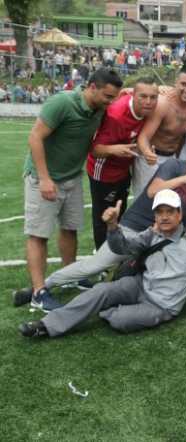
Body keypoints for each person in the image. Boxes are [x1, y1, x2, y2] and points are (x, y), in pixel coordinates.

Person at [13, 141, 186, 308]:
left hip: (161, 239)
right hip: (134, 229)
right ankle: (39, 288)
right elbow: (154, 191)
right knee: (95, 265)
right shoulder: (175, 167)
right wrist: (184, 179)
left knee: (141, 276)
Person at [19, 189, 186, 338]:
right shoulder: (151, 234)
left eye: (170, 211)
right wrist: (112, 227)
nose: (164, 216)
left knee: (120, 320)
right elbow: (122, 248)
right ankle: (46, 326)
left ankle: (100, 309)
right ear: (154, 216)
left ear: (179, 214)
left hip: (163, 305)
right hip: (139, 285)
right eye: (159, 212)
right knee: (100, 290)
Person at [22, 68, 122, 312]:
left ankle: (69, 277)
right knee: (38, 234)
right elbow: (35, 137)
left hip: (71, 178)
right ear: (92, 87)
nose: (111, 103)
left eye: (114, 97)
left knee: (70, 229)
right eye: (108, 97)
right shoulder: (62, 103)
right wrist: (45, 179)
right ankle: (38, 292)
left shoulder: (98, 108)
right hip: (43, 178)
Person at [87, 77, 159, 250]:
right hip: (104, 171)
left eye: (153, 97)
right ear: (133, 95)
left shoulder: (144, 108)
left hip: (123, 169)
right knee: (103, 216)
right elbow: (95, 150)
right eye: (143, 96)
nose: (148, 102)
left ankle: (115, 249)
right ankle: (100, 254)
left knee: (120, 211)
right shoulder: (116, 116)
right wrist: (114, 149)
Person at [134, 64, 186, 195]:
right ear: (176, 83)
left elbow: (183, 136)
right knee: (143, 201)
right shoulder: (163, 103)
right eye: (184, 84)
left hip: (171, 160)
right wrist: (148, 153)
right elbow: (143, 137)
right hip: (150, 158)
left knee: (165, 202)